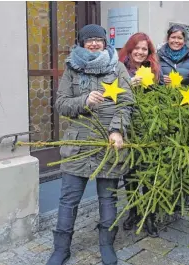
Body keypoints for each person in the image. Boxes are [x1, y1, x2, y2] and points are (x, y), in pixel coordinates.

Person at [47, 24, 134, 265]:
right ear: (81, 43)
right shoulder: (72, 68)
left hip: (108, 144)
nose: (94, 44)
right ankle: (61, 249)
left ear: (105, 42)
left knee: (108, 199)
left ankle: (107, 245)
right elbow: (61, 104)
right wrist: (84, 100)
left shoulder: (117, 67)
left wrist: (117, 129)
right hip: (78, 144)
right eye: (89, 40)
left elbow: (127, 102)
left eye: (98, 40)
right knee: (68, 200)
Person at [118, 32, 162, 237]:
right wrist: (128, 85)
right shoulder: (119, 69)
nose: (140, 52)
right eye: (137, 48)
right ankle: (134, 211)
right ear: (130, 48)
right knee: (130, 173)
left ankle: (150, 216)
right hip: (128, 129)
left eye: (144, 49)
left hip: (149, 130)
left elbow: (159, 98)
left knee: (150, 174)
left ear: (149, 52)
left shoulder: (153, 70)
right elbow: (112, 96)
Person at [158, 24, 189, 89]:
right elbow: (151, 82)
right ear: (168, 39)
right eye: (173, 37)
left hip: (186, 97)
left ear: (184, 41)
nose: (176, 41)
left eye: (180, 38)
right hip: (163, 97)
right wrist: (160, 79)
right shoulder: (158, 56)